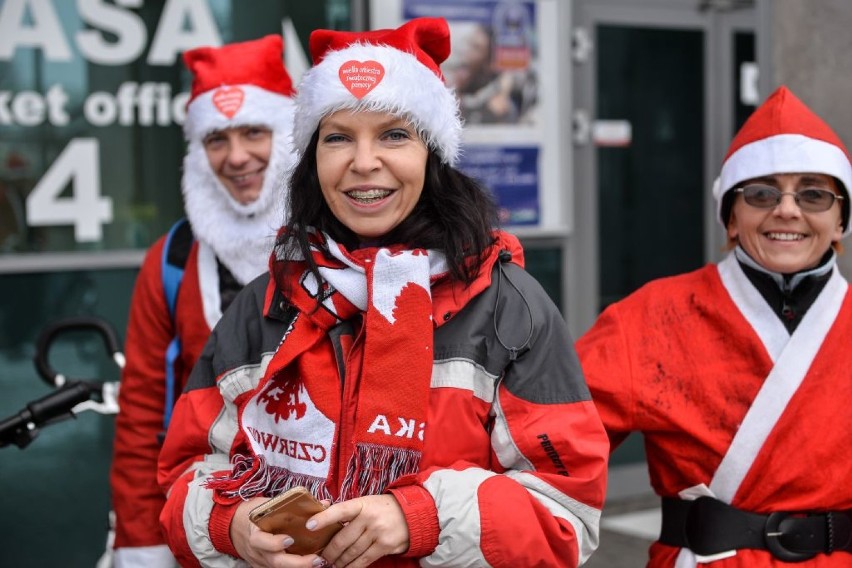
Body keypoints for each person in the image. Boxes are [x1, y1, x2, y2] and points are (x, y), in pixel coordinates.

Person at [157, 17, 609, 568]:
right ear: (312, 160)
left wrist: (420, 517)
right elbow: (185, 475)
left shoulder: (508, 305)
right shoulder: (264, 304)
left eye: (394, 134)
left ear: (432, 154)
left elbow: (568, 515)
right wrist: (233, 527)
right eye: (338, 137)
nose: (363, 162)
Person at [576, 85, 852, 567]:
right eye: (762, 192)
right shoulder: (650, 317)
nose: (787, 209)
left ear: (841, 220)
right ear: (730, 218)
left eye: (814, 194)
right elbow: (551, 439)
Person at [110, 35, 297, 567]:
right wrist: (142, 541)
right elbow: (144, 414)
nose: (237, 157)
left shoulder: (343, 241)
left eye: (254, 132)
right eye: (217, 139)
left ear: (286, 135)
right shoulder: (171, 261)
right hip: (206, 524)